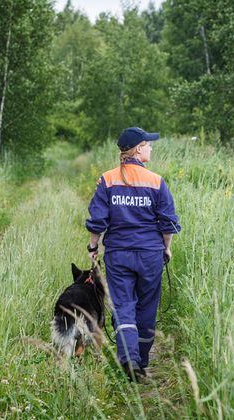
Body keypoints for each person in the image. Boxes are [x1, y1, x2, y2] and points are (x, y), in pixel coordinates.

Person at [85, 127, 181, 382]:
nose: (151, 147)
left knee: (123, 306)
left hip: (118, 254)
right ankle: (142, 361)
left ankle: (130, 361)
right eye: (148, 144)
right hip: (150, 254)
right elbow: (168, 223)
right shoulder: (156, 181)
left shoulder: (107, 179)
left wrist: (93, 248)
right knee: (147, 307)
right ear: (138, 149)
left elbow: (97, 221)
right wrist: (166, 247)